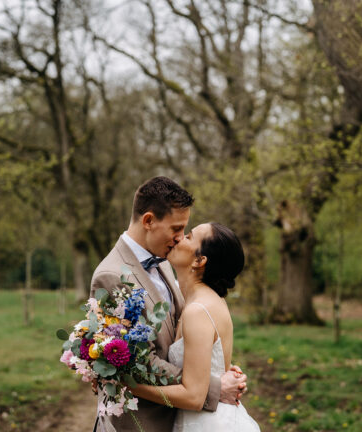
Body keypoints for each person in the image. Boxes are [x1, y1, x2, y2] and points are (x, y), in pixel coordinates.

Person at [90, 176, 247, 432]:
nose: (179, 237)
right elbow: (138, 361)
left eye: (185, 231)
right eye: (176, 228)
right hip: (140, 424)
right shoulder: (112, 276)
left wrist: (215, 368)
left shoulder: (164, 261)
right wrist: (214, 384)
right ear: (149, 221)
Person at [131, 222, 260, 431]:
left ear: (200, 260)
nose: (179, 238)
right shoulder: (206, 300)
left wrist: (130, 387)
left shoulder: (198, 310)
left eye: (189, 237)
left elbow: (193, 397)